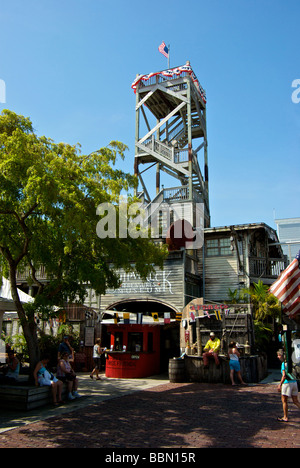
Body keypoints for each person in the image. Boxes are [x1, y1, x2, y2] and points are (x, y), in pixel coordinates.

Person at [277, 349, 300, 422]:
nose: (278, 357)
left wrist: (280, 384)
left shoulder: (284, 364)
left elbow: (284, 375)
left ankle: (285, 416)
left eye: (279, 355)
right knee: (295, 401)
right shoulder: (292, 363)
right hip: (294, 382)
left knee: (284, 400)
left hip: (287, 383)